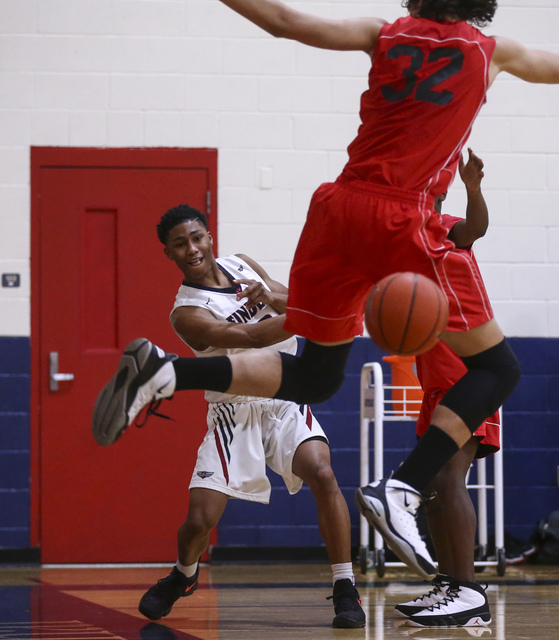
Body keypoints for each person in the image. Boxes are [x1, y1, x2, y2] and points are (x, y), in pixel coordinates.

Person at [92, 0, 559, 626]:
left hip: (337, 210)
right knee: (499, 371)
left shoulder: (382, 32)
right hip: (403, 215)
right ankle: (400, 489)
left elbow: (284, 22)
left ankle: (168, 373)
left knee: (315, 379)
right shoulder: (490, 51)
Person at [130, 204, 365, 628]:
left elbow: (292, 300)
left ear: (209, 236)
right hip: (232, 412)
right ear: (168, 254)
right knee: (199, 521)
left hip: (284, 398)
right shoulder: (187, 312)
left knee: (324, 474)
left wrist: (276, 298)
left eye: (196, 237)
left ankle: (345, 587)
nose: (192, 249)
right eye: (180, 244)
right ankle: (183, 575)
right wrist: (324, 311)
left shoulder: (243, 264)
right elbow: (251, 336)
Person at [394, 148, 500, 627]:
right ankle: (450, 583)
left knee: (447, 479)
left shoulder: (446, 231)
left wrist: (473, 188)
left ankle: (469, 592)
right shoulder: (401, 246)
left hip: (468, 376)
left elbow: (476, 228)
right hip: (434, 383)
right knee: (434, 488)